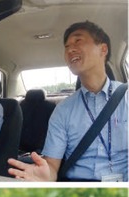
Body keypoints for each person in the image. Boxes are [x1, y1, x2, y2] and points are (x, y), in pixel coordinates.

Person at [8, 21, 128, 182]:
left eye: (78, 41)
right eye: (66, 46)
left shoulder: (125, 97)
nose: (70, 49)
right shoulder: (62, 110)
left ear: (103, 49)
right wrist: (45, 176)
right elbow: (52, 166)